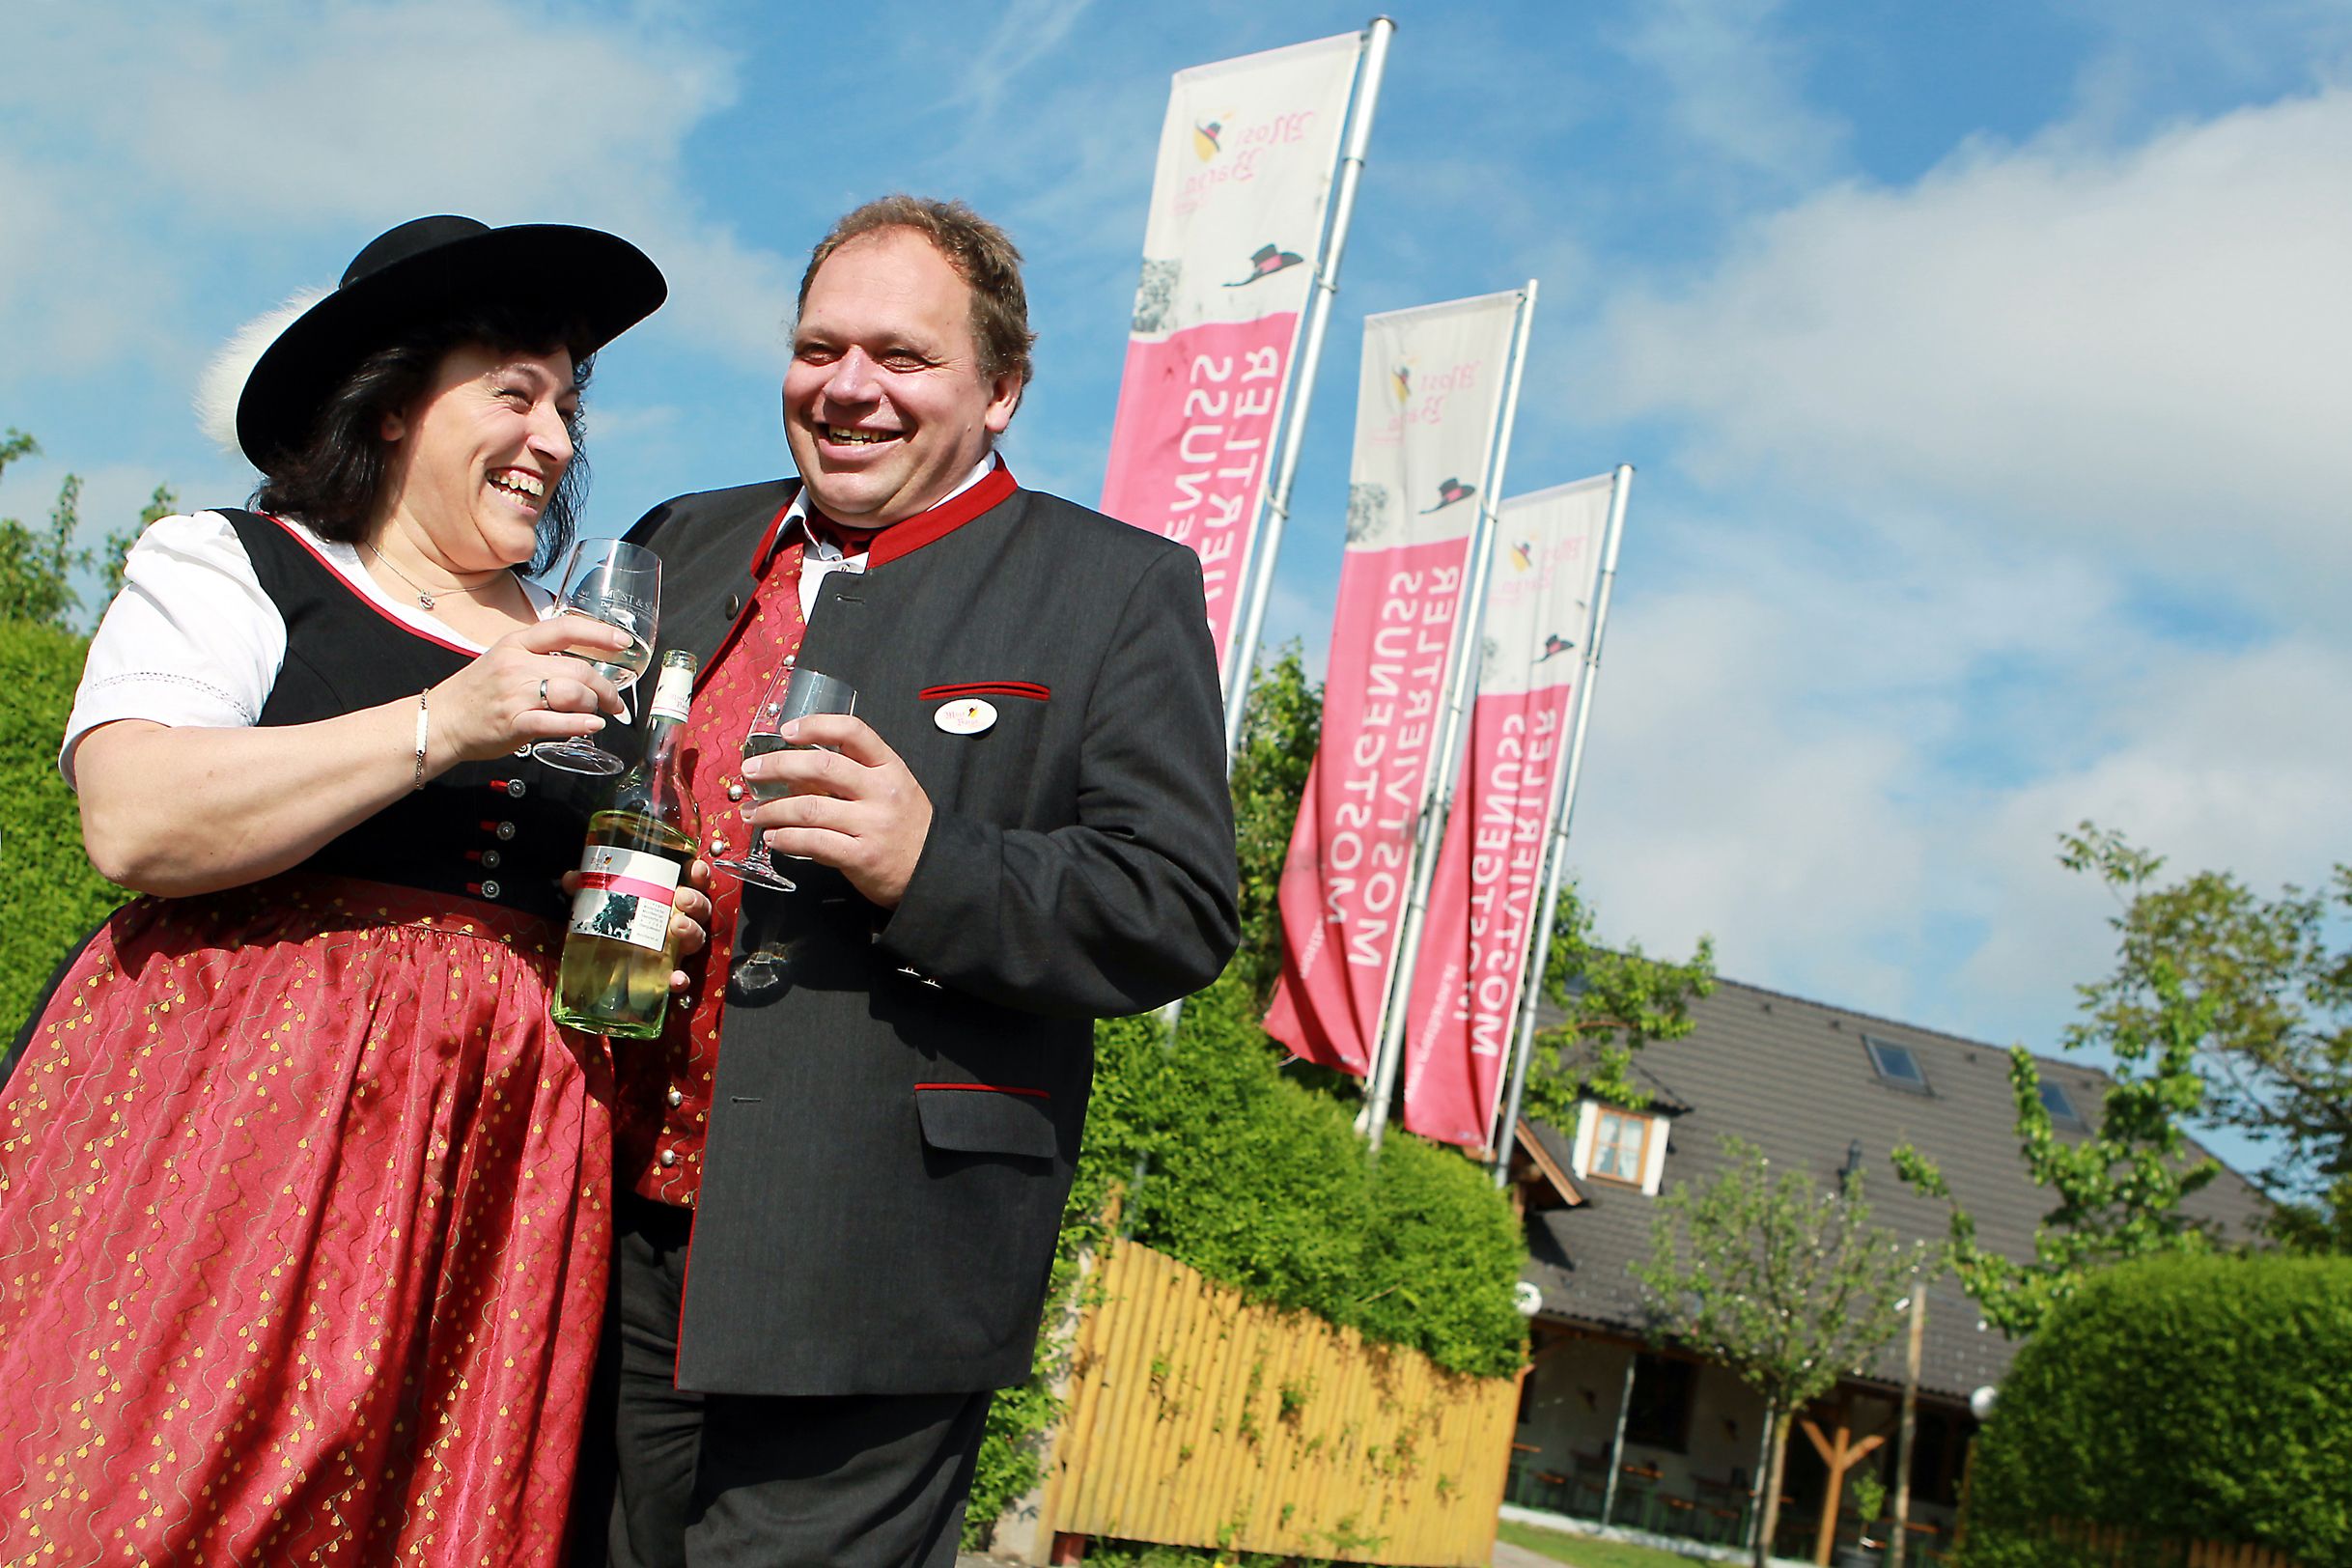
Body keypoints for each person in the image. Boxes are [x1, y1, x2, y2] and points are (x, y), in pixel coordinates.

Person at [0, 215, 698, 1564]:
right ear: (390, 411)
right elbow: (134, 822)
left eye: (568, 402)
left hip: (500, 1157)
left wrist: (641, 928)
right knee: (168, 1484)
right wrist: (440, 720)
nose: (555, 439)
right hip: (238, 1132)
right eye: (514, 391)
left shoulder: (584, 657)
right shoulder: (238, 565)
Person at [594, 196, 1240, 1567]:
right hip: (613, 1214)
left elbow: (1177, 905)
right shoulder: (681, 539)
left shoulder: (1116, 589)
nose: (848, 389)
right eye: (819, 348)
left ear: (1001, 390)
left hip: (876, 1248)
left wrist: (928, 862)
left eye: (901, 356)